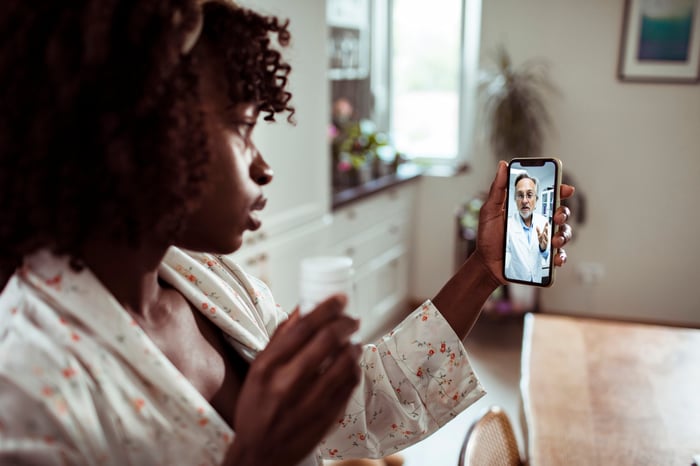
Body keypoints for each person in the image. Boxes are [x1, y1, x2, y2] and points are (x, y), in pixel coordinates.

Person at [0, 1, 575, 465]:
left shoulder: (205, 280)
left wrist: (482, 269)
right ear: (138, 132)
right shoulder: (24, 391)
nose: (263, 166)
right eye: (243, 127)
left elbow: (356, 408)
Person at [504, 173, 553, 284]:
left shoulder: (544, 223)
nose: (525, 200)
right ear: (515, 199)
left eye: (529, 195)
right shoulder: (507, 224)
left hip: (537, 281)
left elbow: (549, 257)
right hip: (515, 281)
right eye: (520, 195)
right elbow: (505, 256)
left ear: (536, 199)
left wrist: (543, 248)